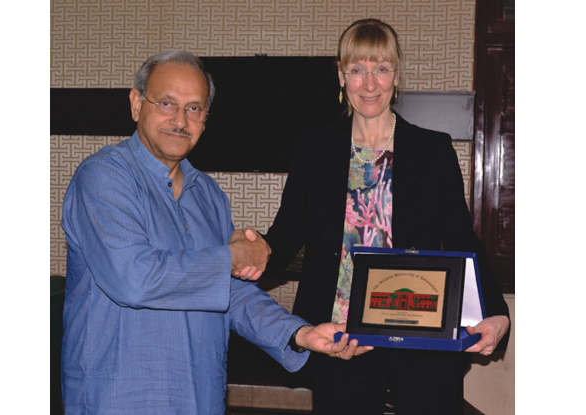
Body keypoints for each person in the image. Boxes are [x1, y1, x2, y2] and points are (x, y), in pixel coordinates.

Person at [60, 50, 372, 415]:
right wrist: (234, 256)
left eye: (194, 108)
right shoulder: (103, 178)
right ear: (135, 103)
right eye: (166, 103)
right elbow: (135, 278)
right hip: (122, 397)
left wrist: (298, 333)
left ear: (206, 118)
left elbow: (233, 292)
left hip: (200, 395)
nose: (180, 120)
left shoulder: (209, 196)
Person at [254, 19, 511, 415]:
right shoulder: (314, 149)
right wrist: (254, 255)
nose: (369, 83)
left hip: (421, 339)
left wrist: (497, 314)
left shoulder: (433, 151)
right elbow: (286, 236)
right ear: (341, 76)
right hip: (341, 341)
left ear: (396, 75)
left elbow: (463, 240)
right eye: (357, 70)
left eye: (381, 69)